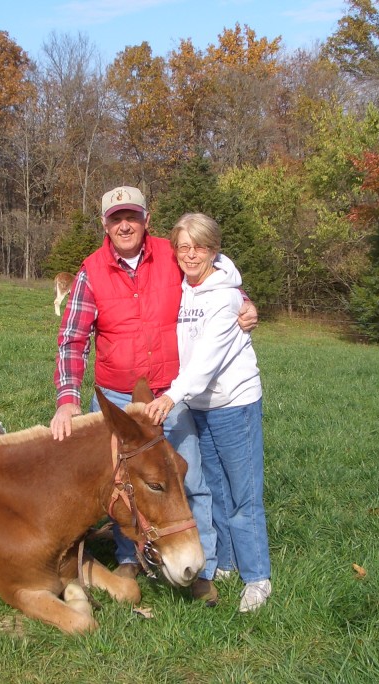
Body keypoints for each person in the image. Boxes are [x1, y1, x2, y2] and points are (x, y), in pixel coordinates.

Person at [50, 186, 256, 606]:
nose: (124, 225)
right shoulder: (91, 271)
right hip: (117, 396)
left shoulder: (170, 254)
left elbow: (215, 273)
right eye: (115, 218)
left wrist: (244, 301)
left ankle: (204, 565)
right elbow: (72, 338)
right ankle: (129, 558)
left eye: (132, 216)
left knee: (188, 477)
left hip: (168, 394)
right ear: (105, 224)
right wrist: (68, 398)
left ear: (146, 219)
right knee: (122, 486)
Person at [143, 212, 271, 613]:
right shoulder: (185, 287)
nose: (190, 254)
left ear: (214, 250)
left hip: (234, 403)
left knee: (243, 494)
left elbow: (206, 362)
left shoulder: (225, 295)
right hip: (200, 406)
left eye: (199, 246)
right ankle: (229, 563)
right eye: (183, 247)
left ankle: (257, 577)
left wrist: (170, 396)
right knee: (214, 488)